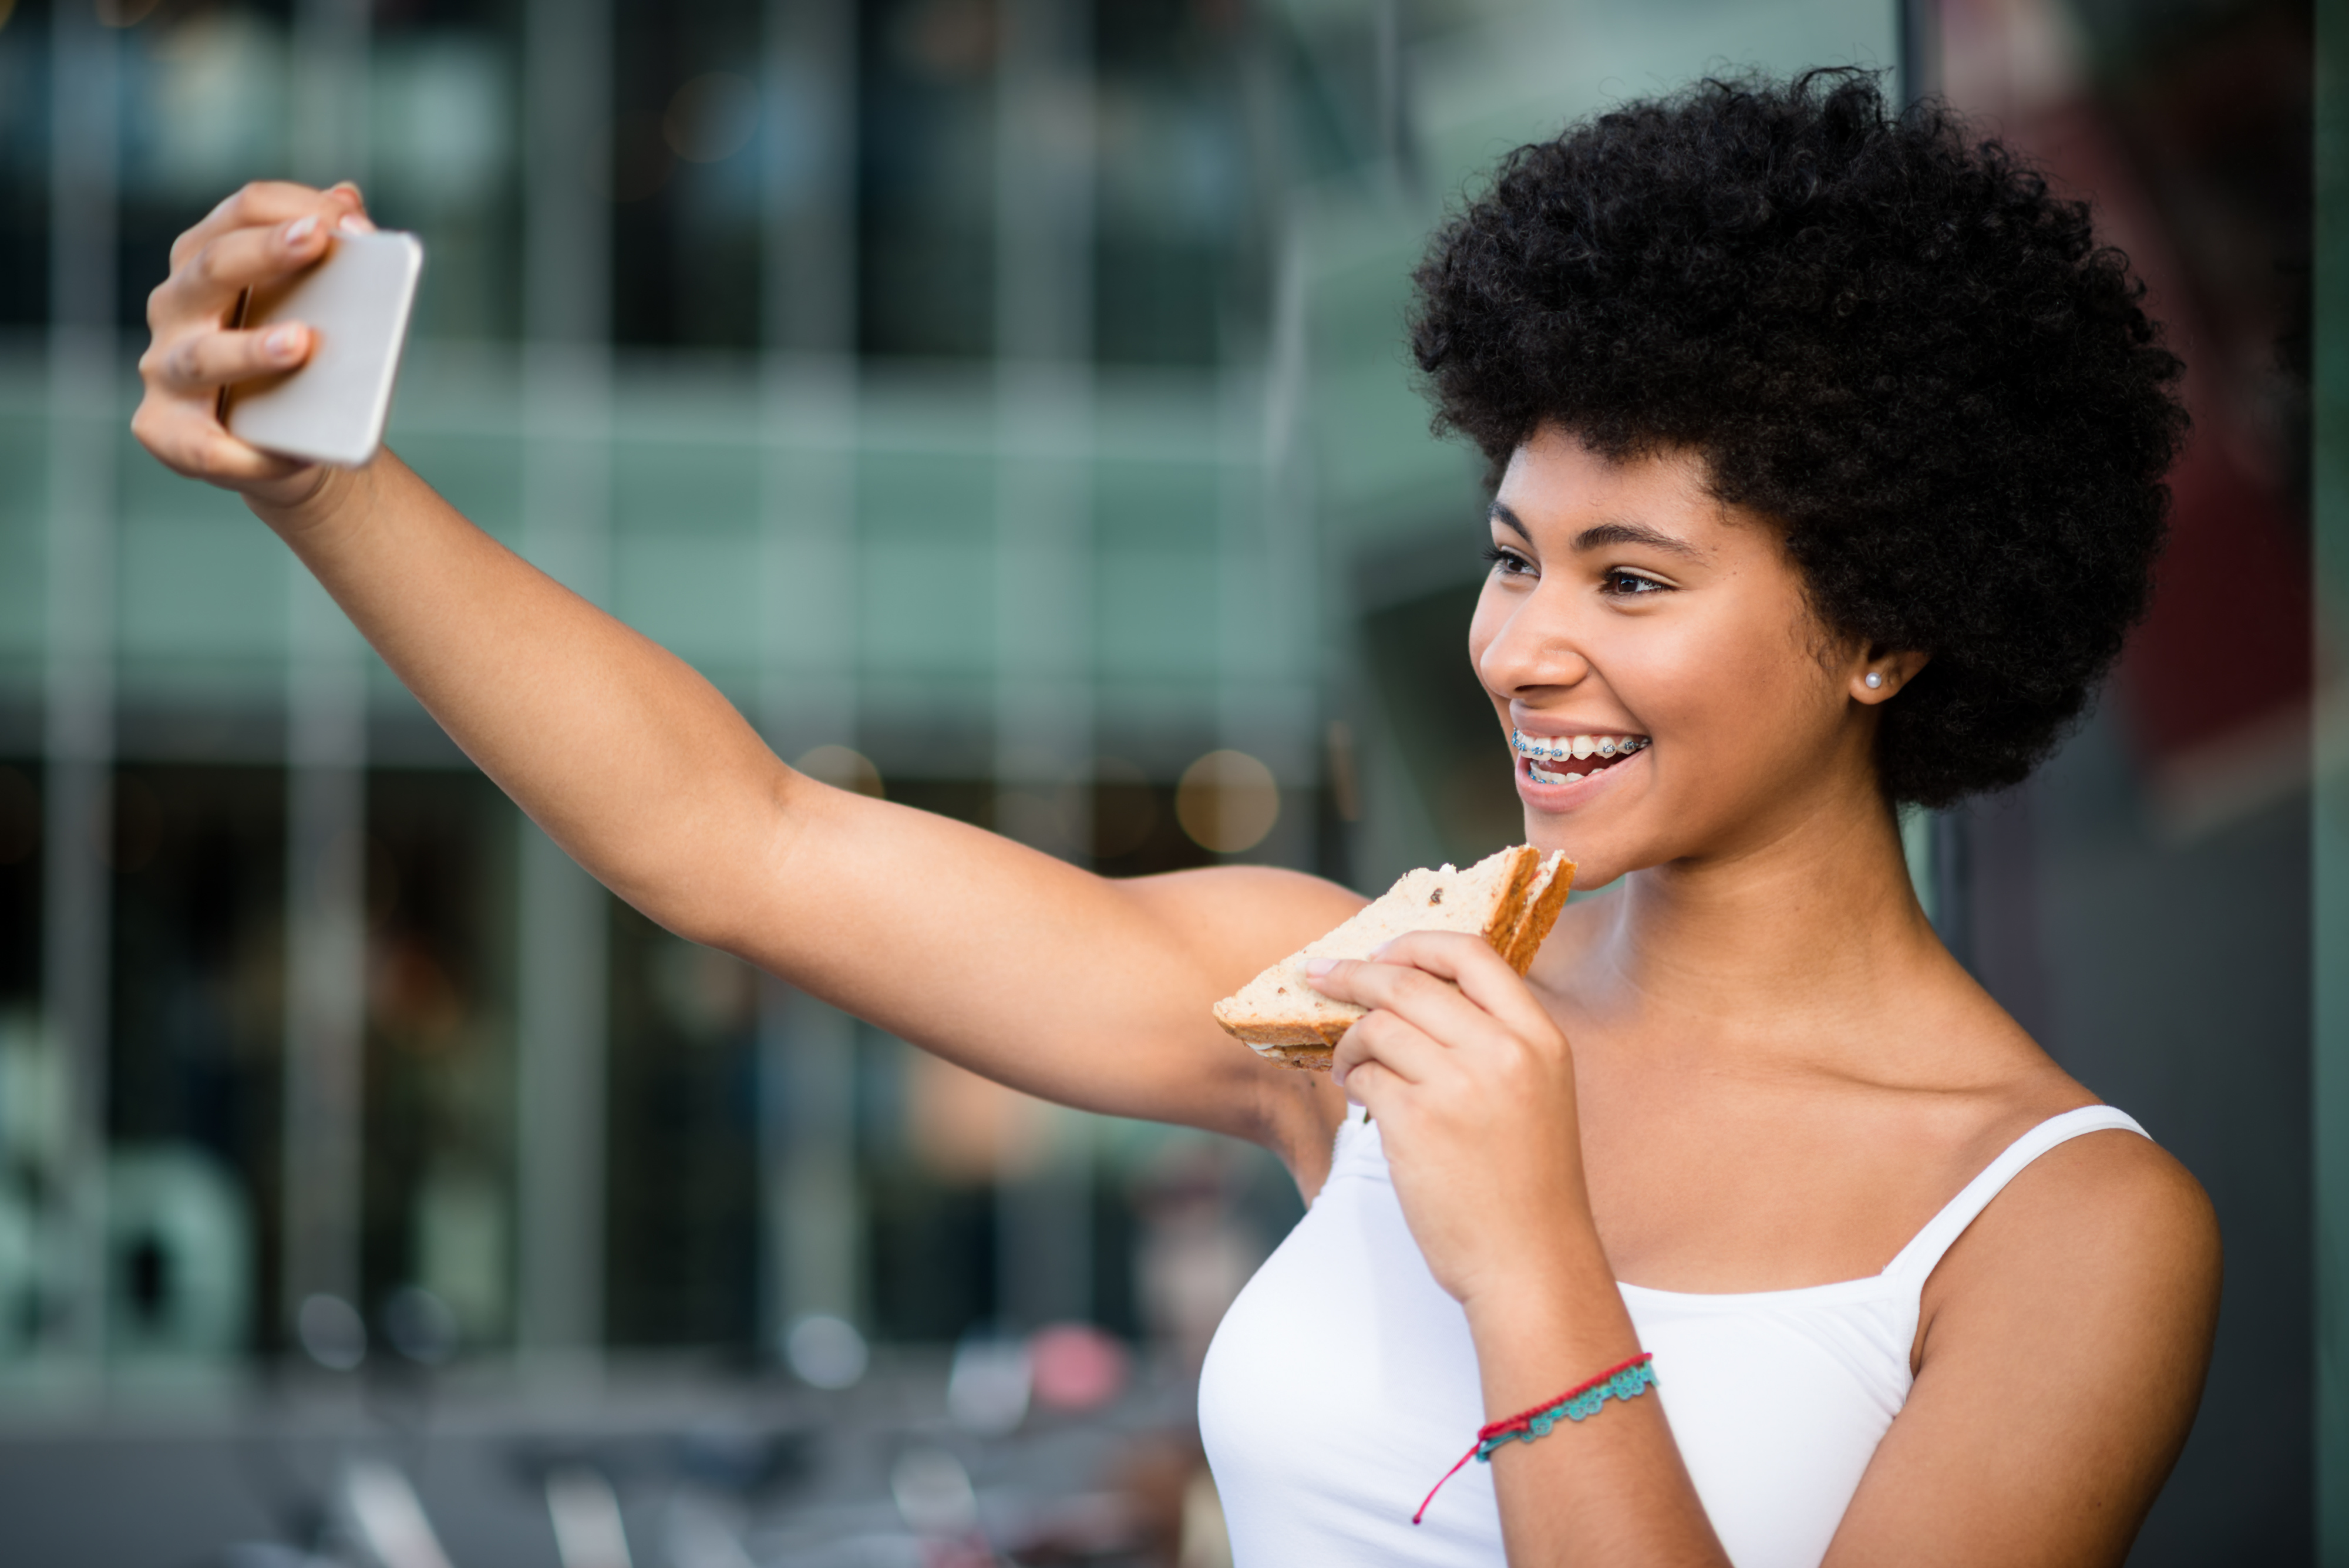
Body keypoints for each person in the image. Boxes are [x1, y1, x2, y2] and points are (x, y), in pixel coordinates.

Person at [134, 69, 2216, 1568]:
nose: (1521, 650)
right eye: (1514, 557)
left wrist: (1533, 1259)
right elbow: (742, 840)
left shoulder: (2057, 1234)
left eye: (1634, 580)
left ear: (1888, 629)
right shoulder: (1381, 996)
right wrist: (333, 487)